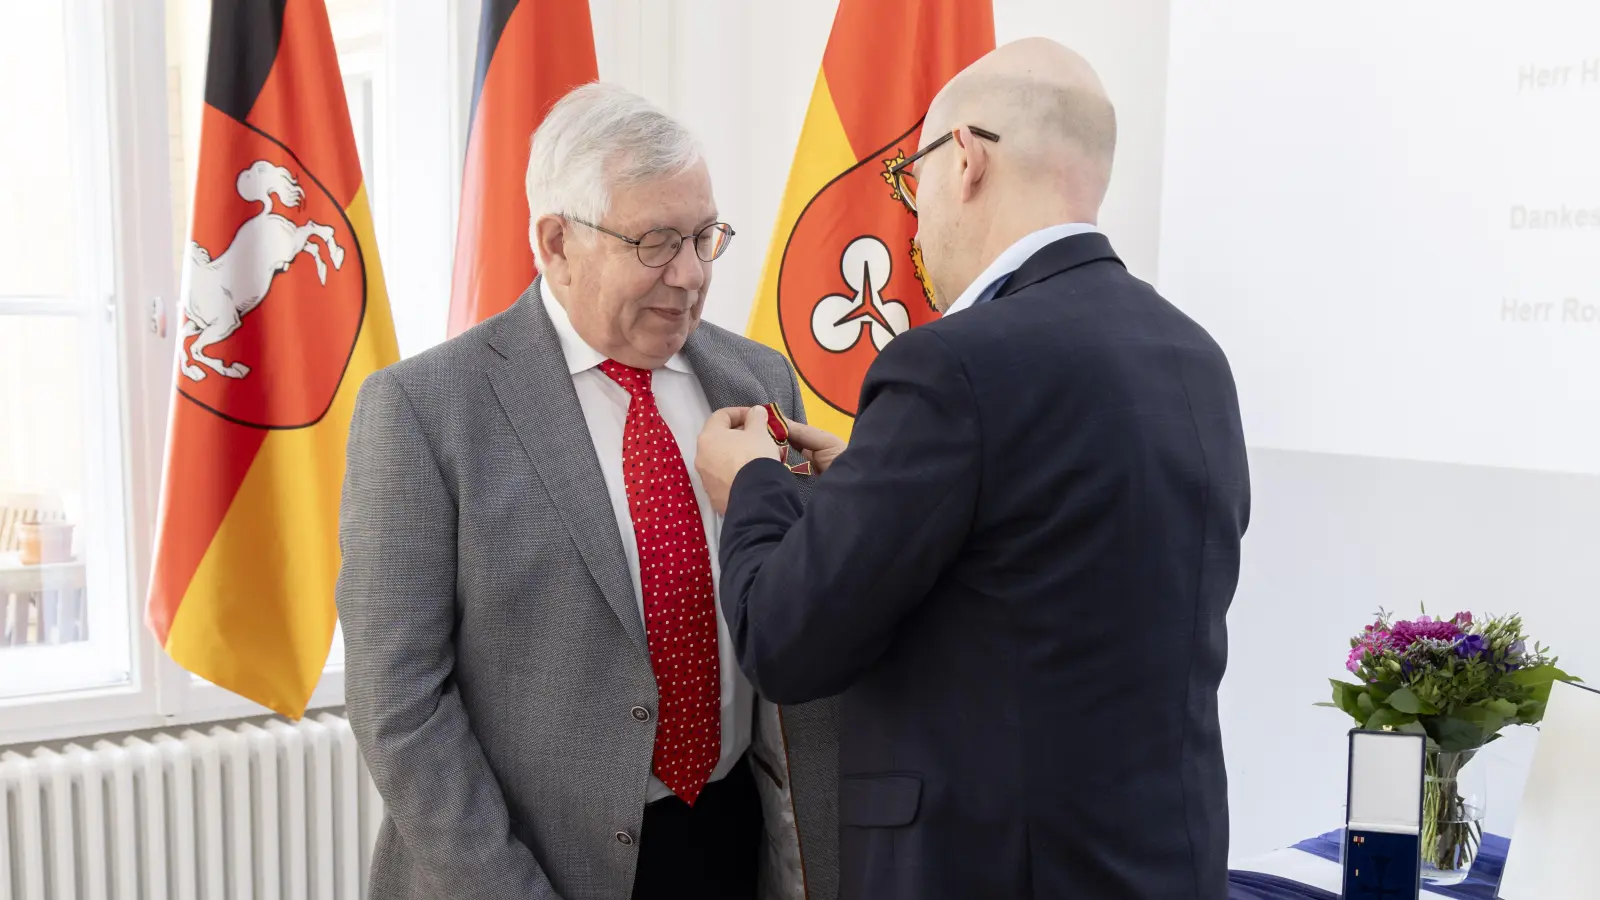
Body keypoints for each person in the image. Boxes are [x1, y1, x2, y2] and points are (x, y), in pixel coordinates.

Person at [695, 38, 1250, 900]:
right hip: (1157, 865)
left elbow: (788, 639)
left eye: (909, 184)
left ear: (964, 159)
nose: (914, 222)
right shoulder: (1191, 354)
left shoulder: (953, 366)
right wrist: (875, 478)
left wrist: (754, 485)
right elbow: (1051, 565)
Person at [337, 83, 839, 900]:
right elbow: (398, 704)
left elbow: (800, 605)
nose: (691, 274)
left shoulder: (758, 379)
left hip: (733, 839)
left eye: (706, 236)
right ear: (555, 242)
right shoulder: (426, 410)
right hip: (530, 867)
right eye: (655, 243)